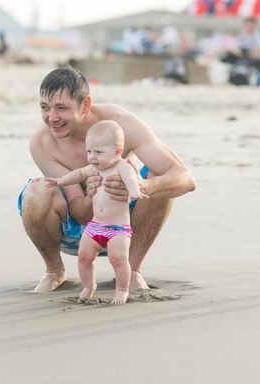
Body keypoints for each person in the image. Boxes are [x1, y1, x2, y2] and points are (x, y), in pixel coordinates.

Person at [18, 66, 196, 293]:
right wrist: (93, 195)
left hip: (125, 227)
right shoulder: (41, 143)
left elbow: (186, 178)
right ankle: (54, 271)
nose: (52, 118)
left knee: (159, 178)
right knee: (36, 191)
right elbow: (80, 212)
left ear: (86, 105)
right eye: (45, 108)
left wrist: (144, 186)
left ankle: (132, 270)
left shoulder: (121, 124)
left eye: (61, 108)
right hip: (79, 235)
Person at [43, 121, 148, 304]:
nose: (92, 157)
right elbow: (78, 174)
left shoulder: (121, 166)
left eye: (98, 152)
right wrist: (61, 181)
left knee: (119, 259)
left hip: (118, 229)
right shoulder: (93, 168)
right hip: (95, 226)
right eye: (89, 151)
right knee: (84, 257)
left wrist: (134, 191)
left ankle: (122, 289)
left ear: (117, 152)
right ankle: (89, 286)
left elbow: (131, 178)